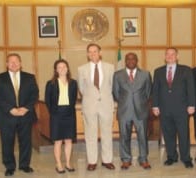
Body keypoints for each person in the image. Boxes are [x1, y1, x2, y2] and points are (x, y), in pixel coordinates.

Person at [0, 53, 39, 176]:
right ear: (6, 64)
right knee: (7, 142)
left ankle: (24, 165)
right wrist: (10, 109)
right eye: (10, 61)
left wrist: (26, 108)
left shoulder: (30, 77)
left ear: (21, 63)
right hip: (7, 116)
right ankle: (9, 166)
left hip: (25, 115)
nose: (14, 63)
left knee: (26, 142)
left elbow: (34, 94)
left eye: (16, 61)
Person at [152, 47, 195, 169]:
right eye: (167, 54)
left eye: (172, 54)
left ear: (177, 56)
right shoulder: (158, 71)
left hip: (182, 109)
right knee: (168, 134)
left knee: (183, 135)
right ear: (165, 57)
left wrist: (191, 105)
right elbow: (155, 90)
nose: (170, 56)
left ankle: (186, 158)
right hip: (164, 109)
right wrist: (155, 105)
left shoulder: (186, 70)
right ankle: (171, 156)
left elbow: (191, 89)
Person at [78, 43, 115, 171]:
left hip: (106, 105)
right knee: (90, 134)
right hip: (90, 106)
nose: (93, 54)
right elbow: (82, 89)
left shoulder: (110, 67)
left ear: (100, 52)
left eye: (95, 51)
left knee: (107, 134)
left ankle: (107, 160)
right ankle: (92, 161)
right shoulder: (82, 69)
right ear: (87, 54)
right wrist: (92, 97)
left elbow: (112, 86)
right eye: (90, 52)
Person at [113, 52, 152, 170]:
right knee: (124, 136)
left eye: (133, 59)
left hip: (141, 111)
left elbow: (149, 92)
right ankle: (126, 160)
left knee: (142, 136)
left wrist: (140, 103)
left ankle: (144, 159)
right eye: (128, 59)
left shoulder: (145, 74)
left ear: (137, 60)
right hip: (124, 111)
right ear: (125, 61)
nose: (131, 61)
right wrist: (126, 102)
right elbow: (115, 93)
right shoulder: (118, 75)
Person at [45, 59, 78, 174]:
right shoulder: (51, 84)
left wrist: (69, 110)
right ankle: (58, 163)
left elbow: (73, 99)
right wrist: (54, 112)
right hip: (56, 115)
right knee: (58, 141)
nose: (62, 69)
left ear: (67, 68)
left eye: (64, 66)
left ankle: (68, 163)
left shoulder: (73, 83)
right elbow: (47, 101)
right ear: (56, 70)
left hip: (69, 114)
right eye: (59, 67)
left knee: (69, 140)